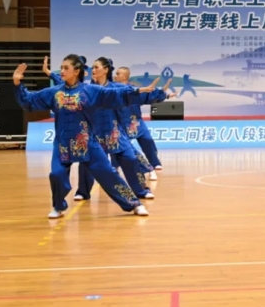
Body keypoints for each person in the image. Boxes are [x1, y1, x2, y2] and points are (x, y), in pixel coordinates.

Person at [13, 55, 159, 218]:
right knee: (56, 174)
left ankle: (134, 204)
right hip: (63, 145)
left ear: (76, 71)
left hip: (87, 143)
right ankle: (58, 207)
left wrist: (138, 90)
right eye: (61, 68)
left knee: (108, 173)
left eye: (66, 68)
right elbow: (30, 100)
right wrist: (18, 83)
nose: (62, 71)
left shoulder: (89, 91)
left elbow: (113, 94)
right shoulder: (55, 92)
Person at [63, 57, 166, 201]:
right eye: (92, 67)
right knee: (86, 163)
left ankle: (142, 190)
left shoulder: (116, 88)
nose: (93, 70)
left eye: (96, 67)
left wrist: (159, 94)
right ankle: (82, 192)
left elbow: (136, 95)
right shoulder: (87, 89)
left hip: (114, 133)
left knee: (130, 159)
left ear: (106, 70)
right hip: (94, 135)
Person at [116, 66, 166, 178]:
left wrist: (163, 94)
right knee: (120, 146)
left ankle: (154, 163)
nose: (115, 76)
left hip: (136, 121)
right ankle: (115, 166)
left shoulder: (135, 90)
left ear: (124, 76)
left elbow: (149, 96)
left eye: (118, 74)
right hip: (121, 123)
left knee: (148, 140)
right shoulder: (113, 90)